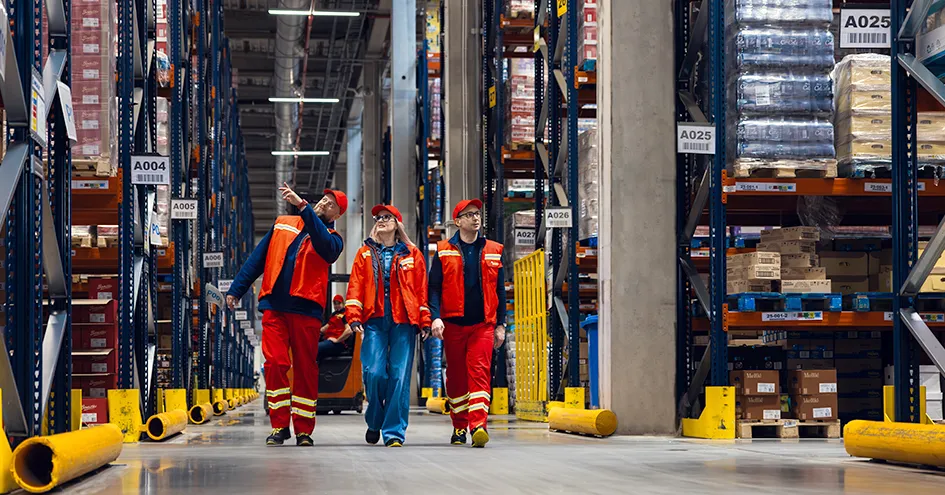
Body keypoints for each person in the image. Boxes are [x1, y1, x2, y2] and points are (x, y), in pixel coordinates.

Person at [226, 183, 346, 447]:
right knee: (275, 364)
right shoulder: (282, 223)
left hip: (306, 310)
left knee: (305, 368)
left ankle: (304, 430)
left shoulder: (333, 239)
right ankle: (279, 426)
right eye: (324, 199)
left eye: (331, 205)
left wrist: (303, 208)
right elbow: (257, 259)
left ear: (337, 215)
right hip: (274, 306)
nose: (324, 203)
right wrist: (236, 289)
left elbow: (323, 245)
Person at [345, 204, 432, 447]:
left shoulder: (412, 254)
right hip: (374, 319)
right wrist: (353, 316)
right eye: (378, 217)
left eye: (387, 217)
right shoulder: (364, 253)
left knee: (399, 376)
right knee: (373, 373)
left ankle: (393, 432)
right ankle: (375, 420)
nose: (381, 220)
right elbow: (355, 286)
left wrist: (424, 320)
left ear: (397, 224)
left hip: (404, 320)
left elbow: (421, 291)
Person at [428, 199, 506, 448]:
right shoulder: (443, 250)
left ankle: (478, 425)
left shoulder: (494, 249)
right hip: (453, 324)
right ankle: (459, 426)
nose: (475, 218)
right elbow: (434, 288)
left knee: (480, 372)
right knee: (456, 378)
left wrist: (501, 324)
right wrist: (435, 316)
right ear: (458, 221)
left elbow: (500, 291)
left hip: (483, 325)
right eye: (469, 214)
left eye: (477, 214)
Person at [318, 295, 353, 361]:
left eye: (339, 303)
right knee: (310, 346)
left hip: (339, 343)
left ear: (343, 303)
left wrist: (337, 340)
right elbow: (324, 328)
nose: (337, 306)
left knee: (316, 348)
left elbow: (349, 330)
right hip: (329, 340)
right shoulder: (333, 315)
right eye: (335, 304)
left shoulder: (345, 315)